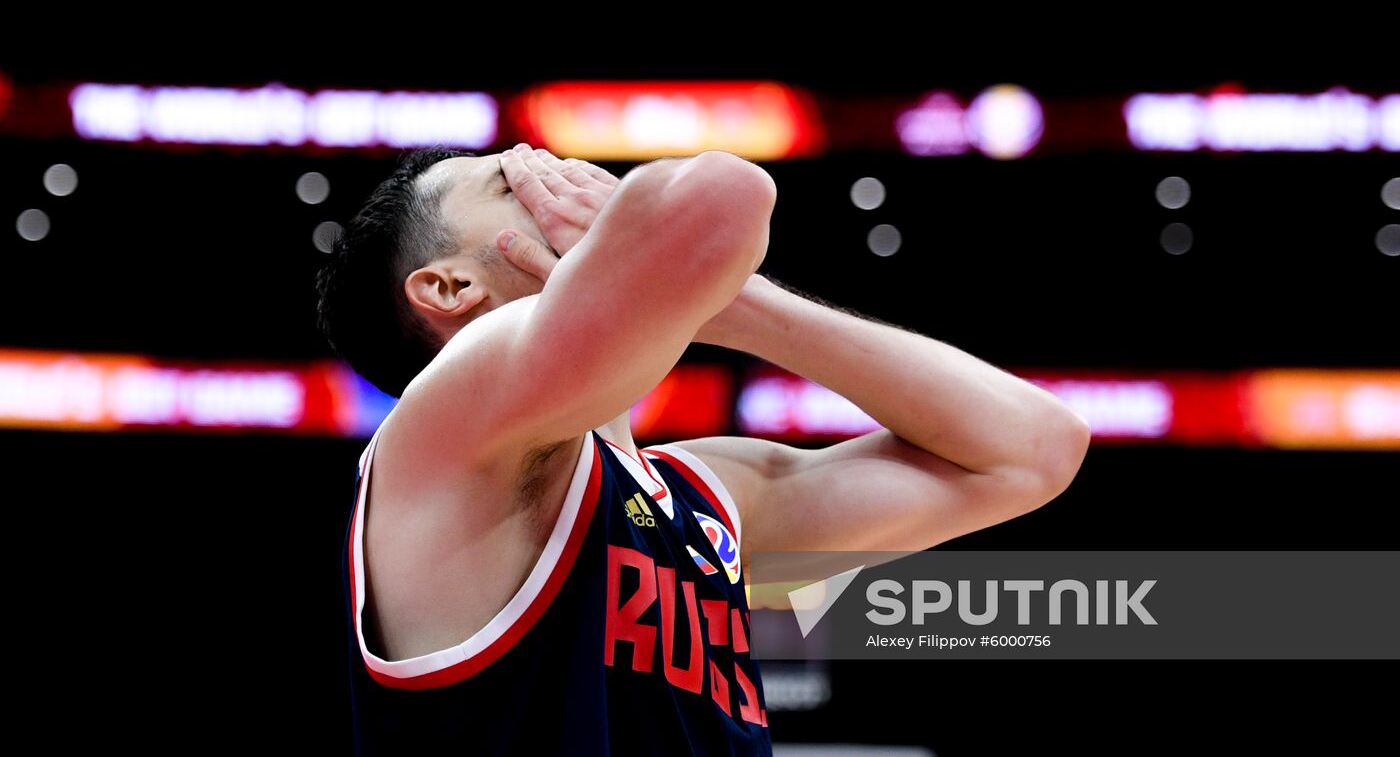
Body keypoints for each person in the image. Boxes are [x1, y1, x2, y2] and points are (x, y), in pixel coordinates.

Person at [314, 143, 1091, 754]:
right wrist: (675, 263)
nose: (545, 168)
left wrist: (735, 304)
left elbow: (1033, 451)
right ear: (448, 288)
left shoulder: (703, 495)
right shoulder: (442, 428)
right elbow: (723, 197)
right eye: (510, 181)